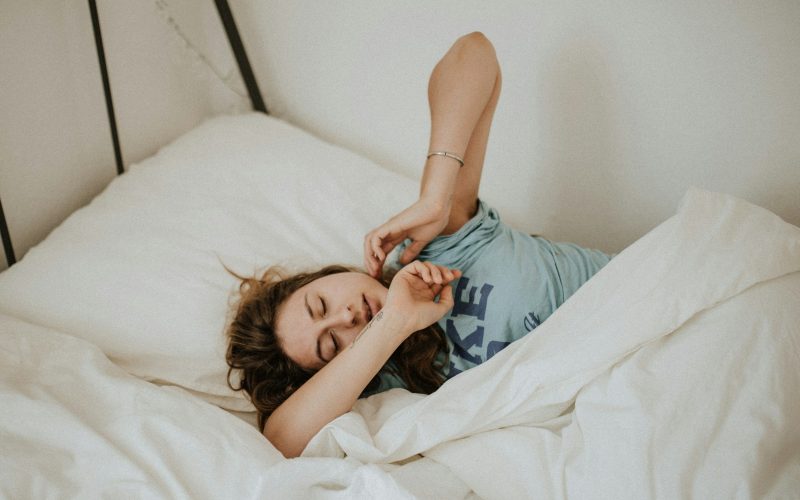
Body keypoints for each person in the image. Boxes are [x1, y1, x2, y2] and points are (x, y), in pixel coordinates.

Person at [225, 32, 613, 458]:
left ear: (328, 276)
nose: (346, 316)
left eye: (321, 304)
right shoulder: (392, 386)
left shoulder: (440, 246)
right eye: (332, 344)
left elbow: (475, 53)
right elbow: (282, 440)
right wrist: (392, 324)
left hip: (642, 303)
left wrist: (436, 196)